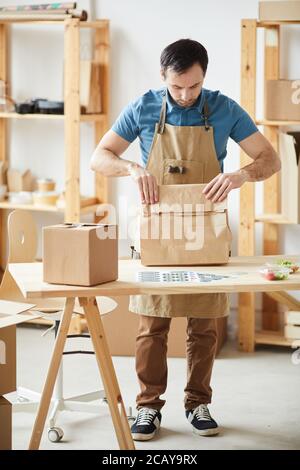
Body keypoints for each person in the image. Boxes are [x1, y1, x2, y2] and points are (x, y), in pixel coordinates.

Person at [90, 39, 281, 441]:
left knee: (205, 326)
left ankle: (198, 403)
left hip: (206, 233)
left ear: (203, 77)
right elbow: (99, 156)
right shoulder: (143, 107)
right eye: (177, 87)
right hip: (159, 231)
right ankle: (147, 408)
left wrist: (240, 175)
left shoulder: (224, 108)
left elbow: (270, 159)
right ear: (164, 78)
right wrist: (130, 168)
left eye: (193, 87)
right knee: (151, 325)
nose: (185, 95)